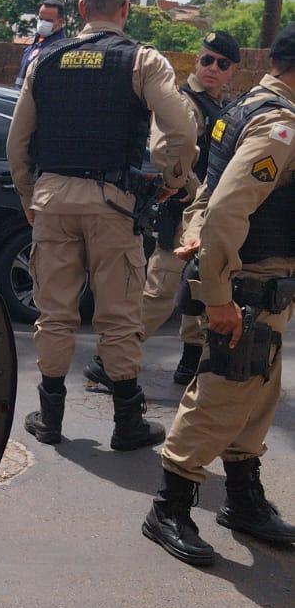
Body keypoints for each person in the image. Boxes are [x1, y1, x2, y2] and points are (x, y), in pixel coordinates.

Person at [6, 0, 197, 450]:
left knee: (54, 313)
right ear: (126, 9)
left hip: (52, 200)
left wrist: (30, 196)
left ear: (82, 9)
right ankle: (126, 422)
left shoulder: (44, 60)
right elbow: (182, 133)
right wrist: (174, 181)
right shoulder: (142, 61)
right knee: (117, 315)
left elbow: (17, 142)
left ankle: (49, 418)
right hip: (113, 204)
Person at [142, 21, 295, 565]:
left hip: (261, 287)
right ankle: (170, 506)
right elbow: (228, 208)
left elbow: (207, 191)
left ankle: (243, 497)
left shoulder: (244, 108)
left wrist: (195, 237)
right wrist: (217, 294)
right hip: (247, 286)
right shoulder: (277, 125)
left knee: (256, 395)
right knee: (221, 395)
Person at [84, 29, 241, 392]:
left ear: (233, 70)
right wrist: (190, 187)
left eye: (222, 63)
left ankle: (189, 364)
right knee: (160, 291)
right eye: (206, 59)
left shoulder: (220, 106)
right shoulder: (186, 102)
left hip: (205, 214)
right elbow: (165, 150)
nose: (212, 68)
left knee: (200, 291)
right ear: (197, 59)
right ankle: (108, 363)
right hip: (182, 210)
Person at [15, 0, 66, 87]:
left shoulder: (59, 50)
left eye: (48, 20)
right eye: (41, 19)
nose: (42, 23)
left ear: (60, 22)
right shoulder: (34, 45)